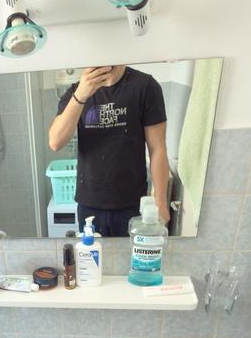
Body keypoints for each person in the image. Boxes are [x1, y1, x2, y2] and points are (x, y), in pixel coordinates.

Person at [49, 64, 170, 236]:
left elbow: (157, 148)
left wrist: (161, 202)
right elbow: (55, 142)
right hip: (89, 205)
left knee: (131, 254)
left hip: (133, 205)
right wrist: (81, 96)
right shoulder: (76, 91)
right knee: (91, 254)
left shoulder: (146, 86)